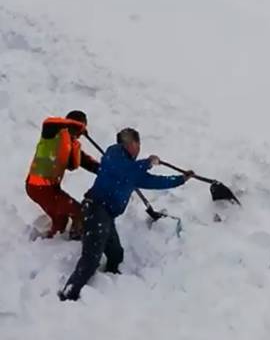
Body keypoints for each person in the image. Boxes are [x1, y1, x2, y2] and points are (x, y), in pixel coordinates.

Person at [58, 128, 193, 301]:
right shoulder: (114, 154)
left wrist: (181, 179)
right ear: (131, 144)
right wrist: (148, 162)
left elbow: (156, 182)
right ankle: (68, 296)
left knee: (116, 254)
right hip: (95, 210)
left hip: (106, 216)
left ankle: (108, 289)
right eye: (137, 145)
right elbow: (125, 170)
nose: (138, 149)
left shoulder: (134, 172)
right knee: (91, 259)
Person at [25, 110, 100, 240]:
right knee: (79, 212)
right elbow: (48, 123)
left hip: (50, 189)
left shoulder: (71, 145)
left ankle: (48, 244)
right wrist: (76, 125)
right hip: (39, 188)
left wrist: (107, 170)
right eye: (80, 128)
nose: (80, 133)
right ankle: (75, 240)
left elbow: (88, 163)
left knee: (61, 221)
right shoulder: (54, 132)